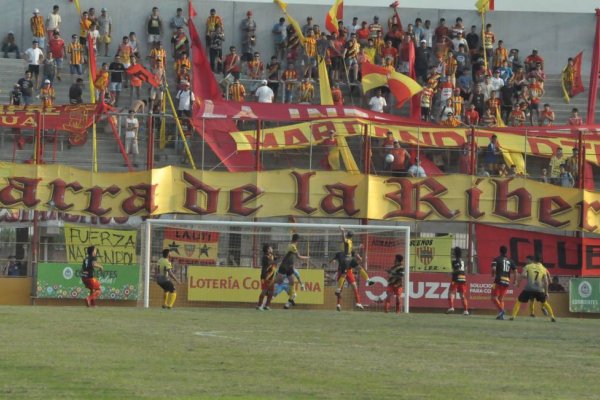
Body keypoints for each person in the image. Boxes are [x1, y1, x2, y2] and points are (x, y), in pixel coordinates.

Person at [510, 255, 556, 322]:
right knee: (545, 302)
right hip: (539, 289)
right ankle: (552, 317)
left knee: (519, 301)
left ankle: (513, 316)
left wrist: (518, 283)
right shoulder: (543, 268)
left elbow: (522, 275)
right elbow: (546, 282)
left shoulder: (528, 266)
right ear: (541, 261)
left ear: (533, 260)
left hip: (529, 288)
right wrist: (546, 293)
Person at [276, 233, 308, 309]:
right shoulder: (292, 246)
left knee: (292, 283)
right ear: (297, 240)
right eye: (298, 240)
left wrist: (302, 284)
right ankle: (264, 303)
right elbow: (299, 257)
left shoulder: (291, 246)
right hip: (284, 266)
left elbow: (298, 276)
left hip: (289, 267)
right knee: (276, 283)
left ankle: (288, 302)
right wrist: (307, 257)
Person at [490, 245, 517, 320]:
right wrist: (515, 280)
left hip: (498, 280)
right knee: (501, 298)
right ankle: (501, 316)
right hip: (507, 281)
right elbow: (515, 271)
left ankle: (501, 311)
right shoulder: (510, 260)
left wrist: (493, 274)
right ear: (506, 252)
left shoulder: (496, 259)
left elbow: (494, 268)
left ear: (500, 251)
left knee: (493, 297)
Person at [447, 247, 469, 315]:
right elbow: (463, 269)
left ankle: (451, 307)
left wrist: (452, 273)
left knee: (451, 292)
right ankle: (466, 311)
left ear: (455, 253)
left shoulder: (455, 261)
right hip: (463, 278)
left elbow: (457, 269)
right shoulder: (463, 261)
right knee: (462, 295)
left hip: (456, 278)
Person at [256, 243, 277, 310]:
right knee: (264, 291)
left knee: (271, 292)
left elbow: (275, 261)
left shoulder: (271, 255)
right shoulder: (265, 257)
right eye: (270, 248)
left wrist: (275, 258)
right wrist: (274, 261)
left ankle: (266, 306)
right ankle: (259, 305)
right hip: (265, 276)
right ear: (267, 250)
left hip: (272, 276)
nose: (272, 249)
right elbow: (269, 263)